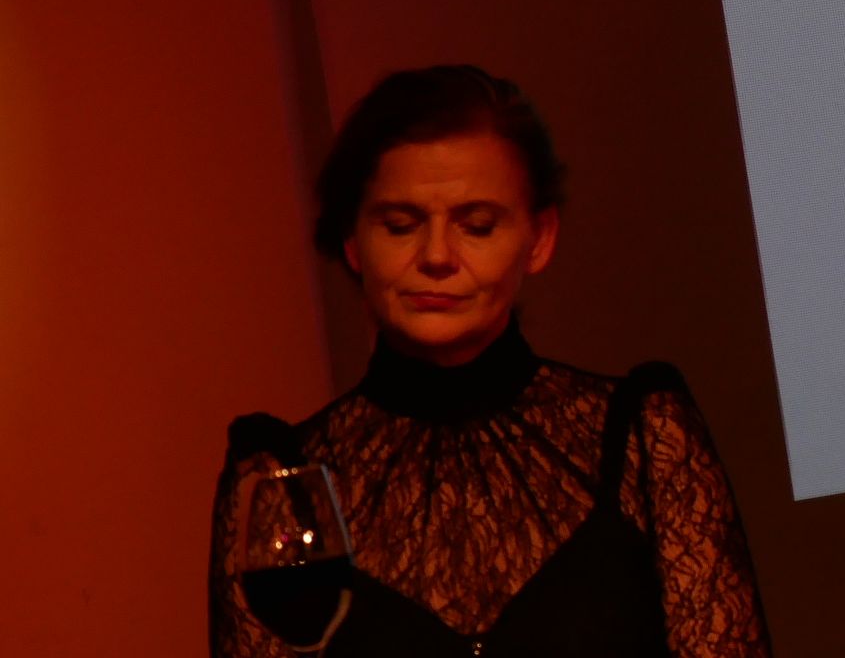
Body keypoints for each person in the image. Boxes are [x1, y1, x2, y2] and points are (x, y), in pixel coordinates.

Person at [210, 66, 770, 656]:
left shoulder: (641, 439)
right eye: (399, 226)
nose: (436, 256)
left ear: (539, 238)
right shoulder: (282, 479)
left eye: (476, 226)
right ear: (353, 241)